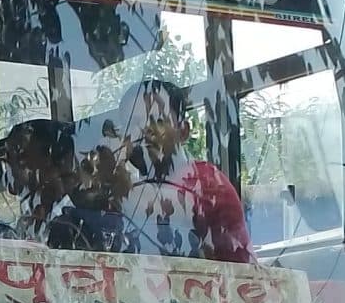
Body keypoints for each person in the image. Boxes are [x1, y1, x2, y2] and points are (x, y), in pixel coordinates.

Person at [104, 79, 251, 260]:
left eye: (157, 120)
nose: (142, 132)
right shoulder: (143, 187)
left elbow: (163, 209)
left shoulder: (207, 182)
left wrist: (116, 177)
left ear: (183, 131)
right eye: (132, 124)